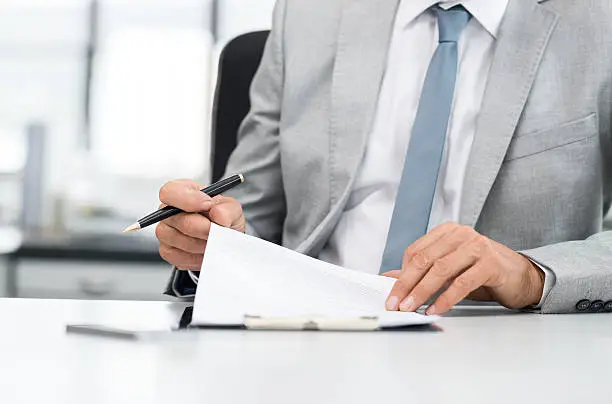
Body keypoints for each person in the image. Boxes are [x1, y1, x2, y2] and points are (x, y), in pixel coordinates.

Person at [157, 0, 612, 314]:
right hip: (309, 336)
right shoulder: (311, 14)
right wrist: (212, 237)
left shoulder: (598, 25)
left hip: (502, 344)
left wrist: (531, 275)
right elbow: (250, 217)